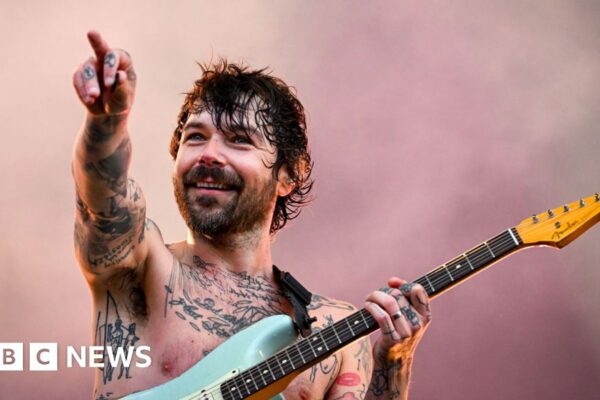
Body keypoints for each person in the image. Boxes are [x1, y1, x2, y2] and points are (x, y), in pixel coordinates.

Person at [72, 31, 432, 400]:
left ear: (289, 175)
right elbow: (103, 195)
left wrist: (394, 362)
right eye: (195, 137)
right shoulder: (141, 269)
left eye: (239, 140)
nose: (209, 154)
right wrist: (106, 123)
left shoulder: (335, 332)